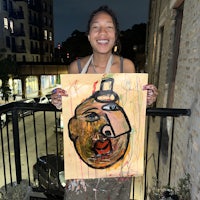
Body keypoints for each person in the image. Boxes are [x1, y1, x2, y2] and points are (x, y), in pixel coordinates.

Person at [51, 5, 158, 200]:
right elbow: (71, 109)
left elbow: (131, 108)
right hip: (81, 168)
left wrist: (147, 99)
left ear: (116, 35)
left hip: (118, 169)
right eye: (96, 27)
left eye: (109, 27)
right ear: (88, 35)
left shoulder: (127, 66)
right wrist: (59, 101)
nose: (102, 33)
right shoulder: (76, 67)